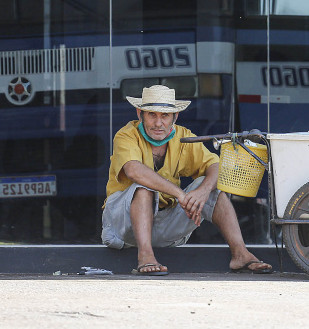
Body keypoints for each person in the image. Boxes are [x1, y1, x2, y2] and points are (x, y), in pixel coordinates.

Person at [101, 85, 273, 276]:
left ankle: (240, 254)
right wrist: (180, 194)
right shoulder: (126, 135)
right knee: (143, 188)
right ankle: (146, 257)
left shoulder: (184, 136)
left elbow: (216, 166)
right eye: (152, 115)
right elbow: (134, 171)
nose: (158, 123)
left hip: (165, 226)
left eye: (165, 116)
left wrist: (203, 191)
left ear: (175, 117)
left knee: (211, 187)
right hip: (123, 226)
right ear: (139, 113)